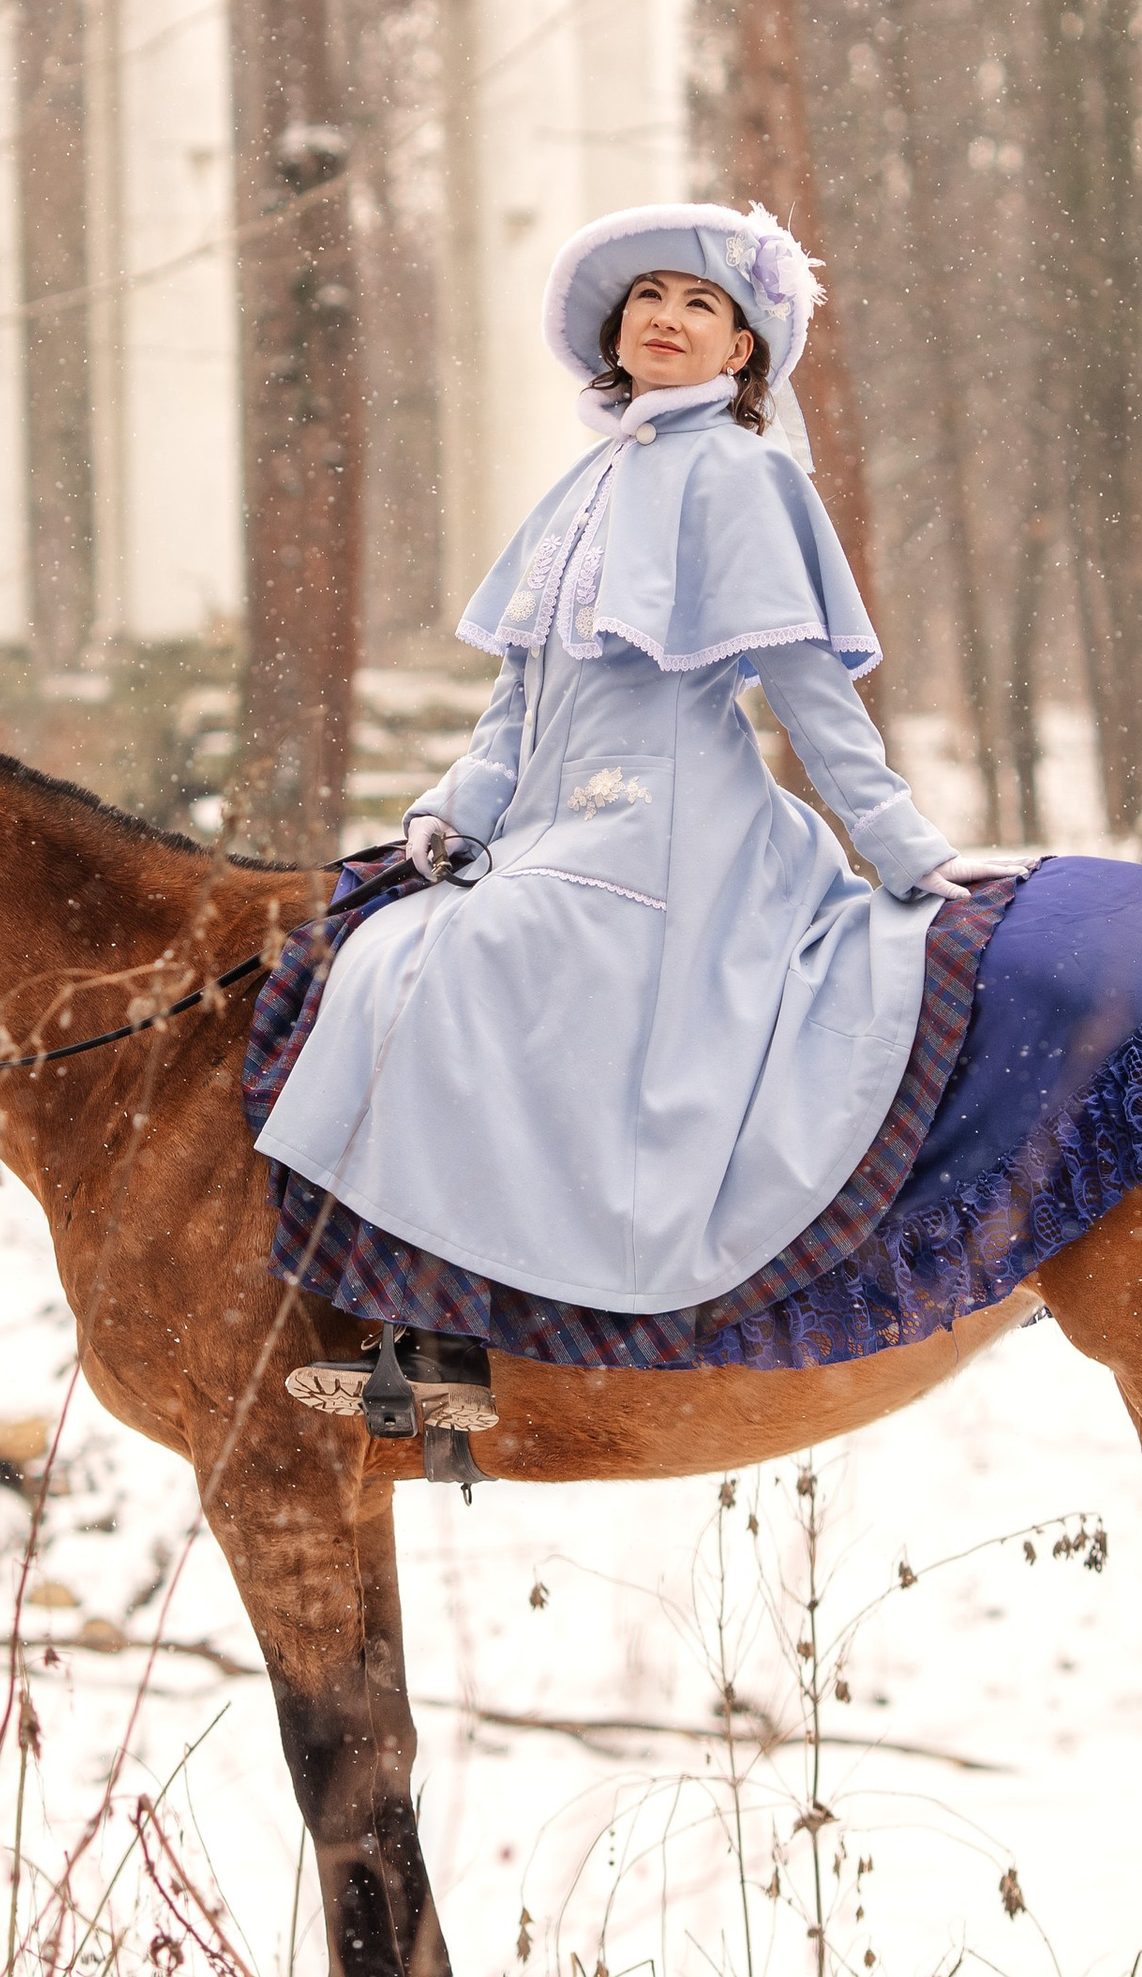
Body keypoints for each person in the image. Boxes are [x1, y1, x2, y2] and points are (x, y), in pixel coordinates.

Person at [263, 201, 966, 1431]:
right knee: (377, 941)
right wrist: (447, 811)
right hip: (545, 825)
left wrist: (901, 849)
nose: (669, 319)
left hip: (673, 836)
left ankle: (456, 1348)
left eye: (703, 306)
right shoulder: (591, 479)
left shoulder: (746, 476)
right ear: (617, 325)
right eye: (651, 297)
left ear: (741, 352)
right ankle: (387, 1303)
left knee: (471, 960)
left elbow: (811, 693)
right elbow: (517, 699)